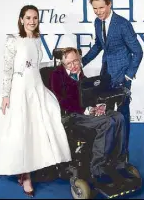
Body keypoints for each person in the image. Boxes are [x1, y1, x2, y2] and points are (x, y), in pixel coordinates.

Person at [0, 5, 71, 197]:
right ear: (21, 19)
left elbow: (36, 65)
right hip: (19, 90)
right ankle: (27, 175)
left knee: (37, 129)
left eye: (35, 18)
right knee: (22, 131)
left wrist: (61, 65)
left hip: (36, 88)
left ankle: (27, 170)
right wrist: (6, 95)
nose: (32, 21)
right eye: (28, 18)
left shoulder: (38, 39)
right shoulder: (13, 40)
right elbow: (7, 69)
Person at [81, 0, 143, 157]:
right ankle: (110, 152)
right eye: (95, 8)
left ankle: (123, 153)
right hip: (106, 74)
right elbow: (99, 46)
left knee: (122, 114)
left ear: (109, 4)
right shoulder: (97, 22)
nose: (98, 12)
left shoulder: (122, 24)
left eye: (101, 7)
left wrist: (128, 76)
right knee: (108, 115)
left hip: (122, 75)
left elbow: (138, 51)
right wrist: (81, 62)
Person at [50, 47, 128, 178]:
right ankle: (97, 168)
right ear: (63, 64)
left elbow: (89, 94)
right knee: (107, 122)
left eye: (76, 61)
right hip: (72, 116)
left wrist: (99, 106)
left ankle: (118, 163)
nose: (74, 65)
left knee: (118, 117)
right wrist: (86, 109)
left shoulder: (80, 73)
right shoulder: (56, 76)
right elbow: (61, 102)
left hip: (86, 111)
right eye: (69, 63)